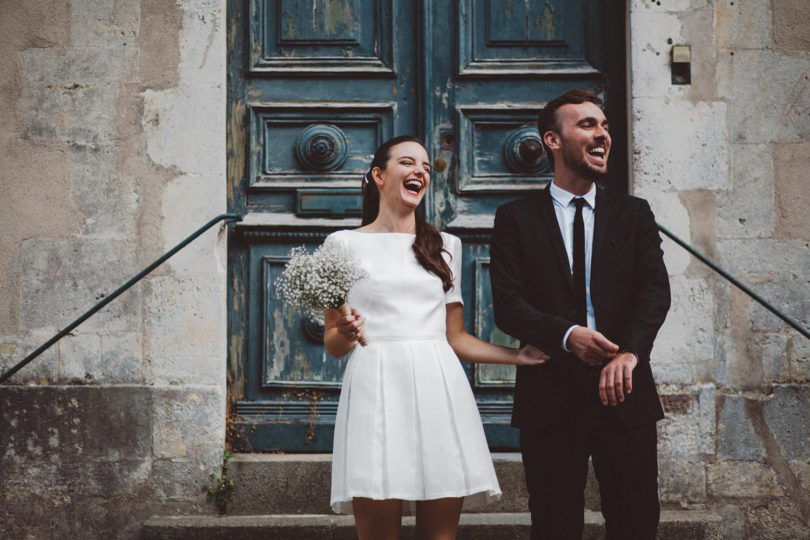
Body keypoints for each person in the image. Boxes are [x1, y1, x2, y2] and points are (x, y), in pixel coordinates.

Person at [323, 135, 548, 540]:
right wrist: (344, 330)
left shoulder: (446, 246)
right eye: (408, 163)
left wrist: (516, 356)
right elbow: (333, 344)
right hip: (376, 386)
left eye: (426, 167)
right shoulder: (341, 244)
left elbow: (455, 337)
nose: (420, 172)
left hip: (437, 387)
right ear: (378, 175)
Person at [490, 89, 671, 540]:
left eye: (605, 126)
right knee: (554, 525)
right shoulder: (514, 218)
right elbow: (508, 305)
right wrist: (568, 335)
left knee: (635, 522)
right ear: (553, 140)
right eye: (587, 125)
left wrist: (629, 352)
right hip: (550, 396)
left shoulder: (634, 214)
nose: (602, 134)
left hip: (625, 391)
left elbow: (655, 292)